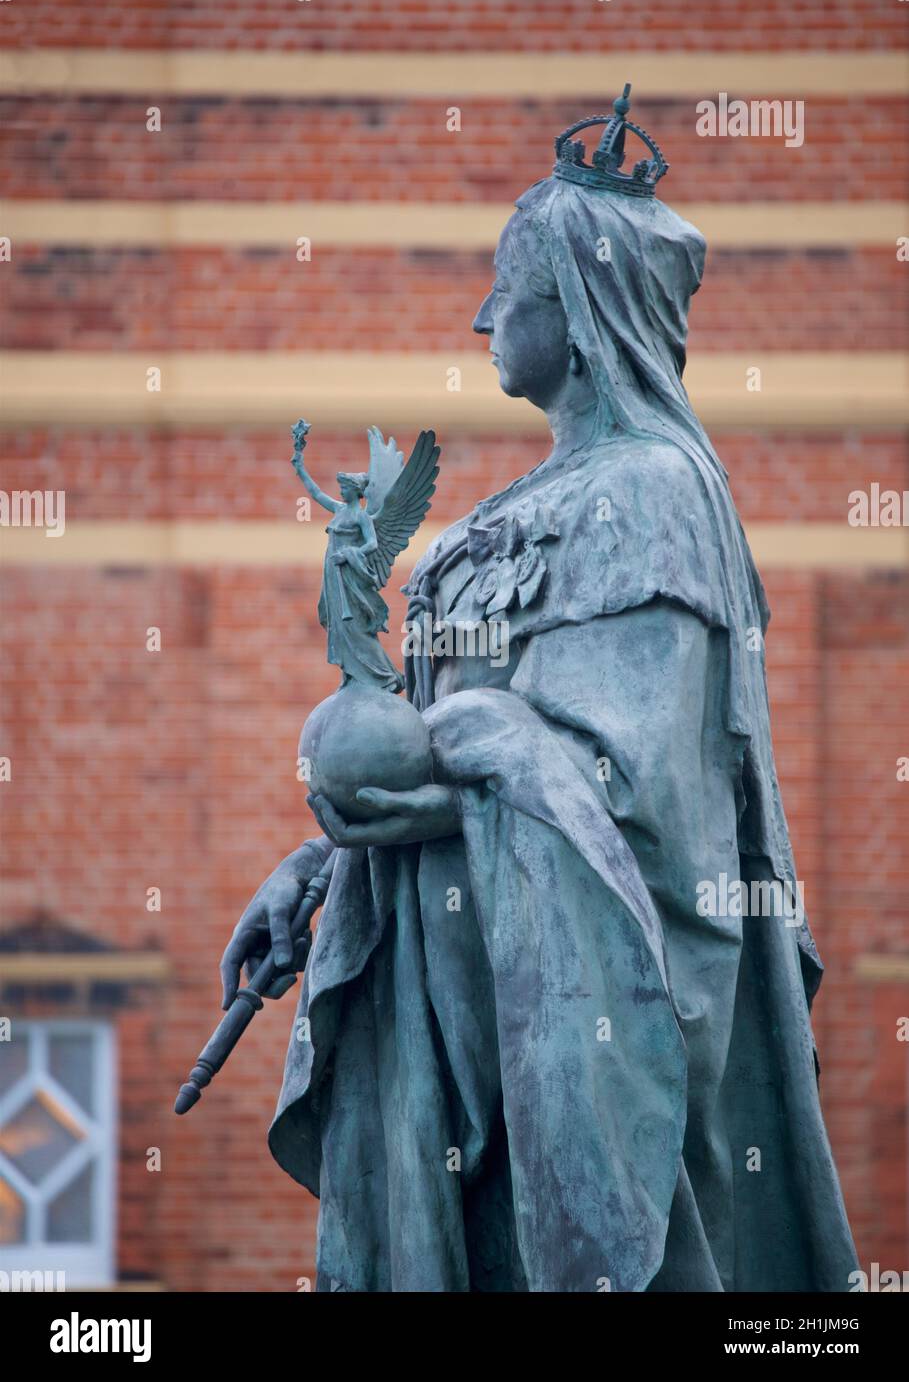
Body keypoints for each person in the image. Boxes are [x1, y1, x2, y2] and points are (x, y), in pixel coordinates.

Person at [219, 99, 858, 1292]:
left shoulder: (655, 494)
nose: (480, 315)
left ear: (580, 306)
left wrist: (456, 746)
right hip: (459, 995)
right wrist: (319, 868)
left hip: (572, 1017)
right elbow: (447, 748)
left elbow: (627, 791)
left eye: (506, 289)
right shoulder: (504, 513)